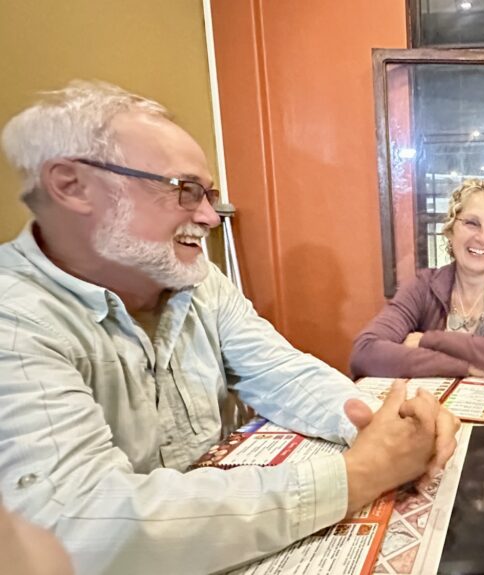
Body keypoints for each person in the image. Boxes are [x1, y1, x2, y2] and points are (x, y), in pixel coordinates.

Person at [0, 80, 459, 574]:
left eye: (209, 194)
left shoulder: (197, 280)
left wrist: (387, 426)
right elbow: (76, 528)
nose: (209, 217)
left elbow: (282, 373)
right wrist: (361, 473)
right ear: (73, 186)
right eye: (185, 191)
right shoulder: (15, 314)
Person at [351, 179, 484, 381]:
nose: (483, 238)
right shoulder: (422, 286)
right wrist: (465, 366)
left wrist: (431, 340)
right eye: (472, 223)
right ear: (450, 230)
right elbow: (365, 352)